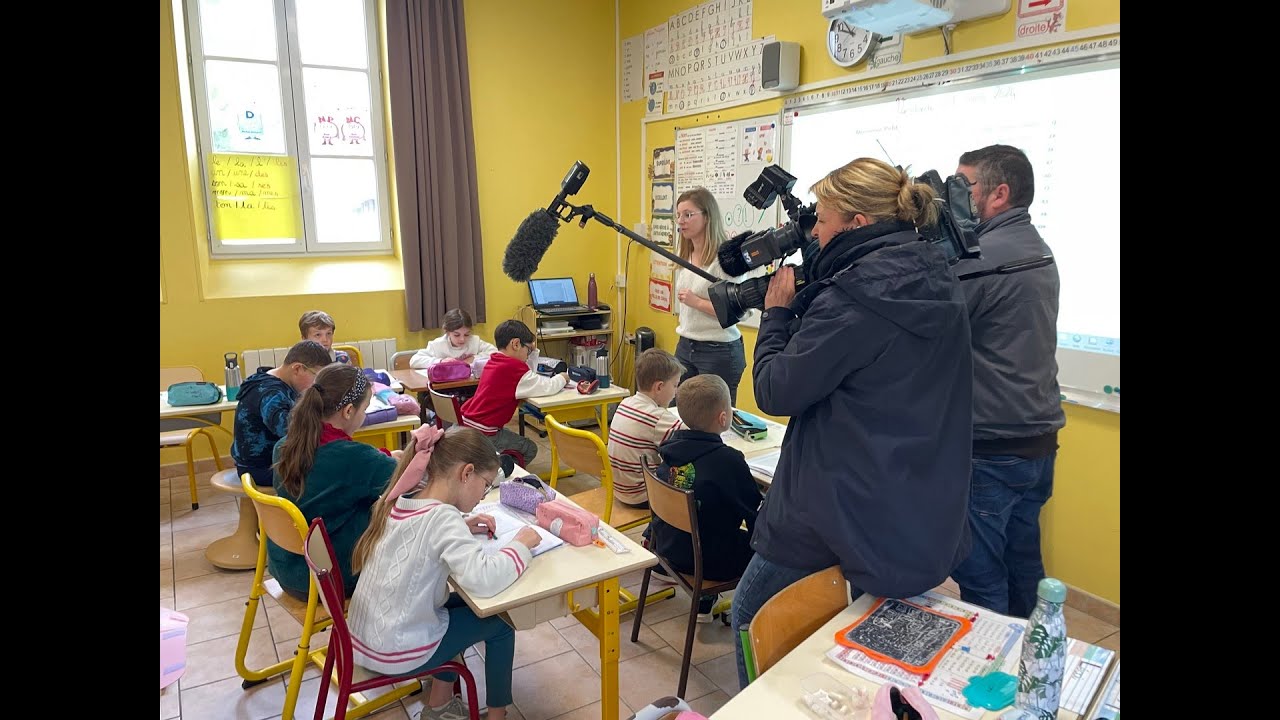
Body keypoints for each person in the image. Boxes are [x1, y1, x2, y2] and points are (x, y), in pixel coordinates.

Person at [732, 157, 974, 688]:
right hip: (915, 503)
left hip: (840, 507)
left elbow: (775, 389)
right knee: (860, 638)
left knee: (750, 616)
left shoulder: (855, 298)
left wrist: (776, 314)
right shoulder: (937, 275)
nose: (813, 232)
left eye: (821, 220)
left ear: (856, 223)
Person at [347, 425, 540, 720]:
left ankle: (438, 706)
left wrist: (463, 525)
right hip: (396, 650)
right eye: (485, 485)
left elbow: (421, 537)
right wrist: (520, 545)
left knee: (458, 607)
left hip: (367, 637)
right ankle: (498, 715)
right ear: (466, 473)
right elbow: (484, 580)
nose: (483, 494)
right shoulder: (443, 518)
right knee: (502, 622)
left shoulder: (404, 497)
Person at [949, 144, 1065, 618]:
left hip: (994, 447)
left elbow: (930, 329)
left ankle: (990, 674)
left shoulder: (984, 255)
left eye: (963, 186)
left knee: (980, 574)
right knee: (1022, 565)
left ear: (998, 193)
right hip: (1037, 441)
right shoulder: (1035, 246)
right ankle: (1027, 666)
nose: (952, 197)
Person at [271, 364, 394, 599]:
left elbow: (345, 471)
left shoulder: (284, 446)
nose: (364, 415)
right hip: (332, 576)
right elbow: (408, 482)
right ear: (348, 411)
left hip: (288, 571)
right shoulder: (356, 458)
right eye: (365, 408)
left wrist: (383, 458)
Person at [653, 375, 762, 622]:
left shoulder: (670, 450)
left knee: (711, 517)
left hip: (669, 548)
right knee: (771, 545)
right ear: (724, 418)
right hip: (707, 561)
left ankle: (705, 601)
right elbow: (754, 513)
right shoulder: (728, 461)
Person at [672, 187, 748, 407]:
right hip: (686, 345)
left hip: (718, 351)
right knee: (679, 412)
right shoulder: (686, 256)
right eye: (678, 215)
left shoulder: (724, 260)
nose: (681, 221)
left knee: (713, 417)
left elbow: (737, 311)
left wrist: (696, 302)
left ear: (707, 217)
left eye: (688, 215)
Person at [460, 320, 567, 465]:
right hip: (485, 433)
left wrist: (532, 352)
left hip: (468, 426)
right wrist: (562, 378)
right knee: (529, 449)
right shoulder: (513, 369)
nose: (528, 355)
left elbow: (529, 377)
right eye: (528, 351)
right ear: (516, 344)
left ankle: (493, 467)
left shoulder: (494, 361)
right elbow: (548, 386)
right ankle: (499, 473)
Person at [231, 340, 331, 486]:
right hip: (260, 469)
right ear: (297, 369)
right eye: (317, 378)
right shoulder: (271, 394)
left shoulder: (274, 378)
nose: (318, 386)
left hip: (261, 463)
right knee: (329, 473)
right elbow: (291, 431)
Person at [606, 348, 684, 507]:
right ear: (659, 387)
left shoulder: (625, 403)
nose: (676, 392)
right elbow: (695, 438)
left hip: (618, 489)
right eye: (675, 385)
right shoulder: (657, 417)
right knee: (693, 471)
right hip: (643, 495)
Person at [410, 308, 497, 369]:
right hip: (444, 386)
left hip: (468, 385)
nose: (462, 339)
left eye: (466, 334)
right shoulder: (437, 345)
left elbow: (495, 353)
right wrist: (441, 361)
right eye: (456, 335)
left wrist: (473, 358)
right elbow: (414, 361)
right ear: (447, 332)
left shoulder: (474, 341)